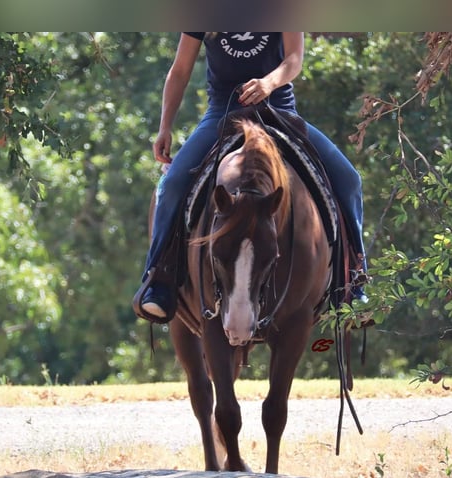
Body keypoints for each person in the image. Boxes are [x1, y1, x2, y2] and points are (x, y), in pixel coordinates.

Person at [136, 32, 367, 322]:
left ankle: (353, 282)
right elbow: (180, 70)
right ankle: (158, 280)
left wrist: (268, 83)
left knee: (349, 180)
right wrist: (165, 126)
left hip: (279, 110)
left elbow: (294, 58)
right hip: (223, 113)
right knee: (171, 186)